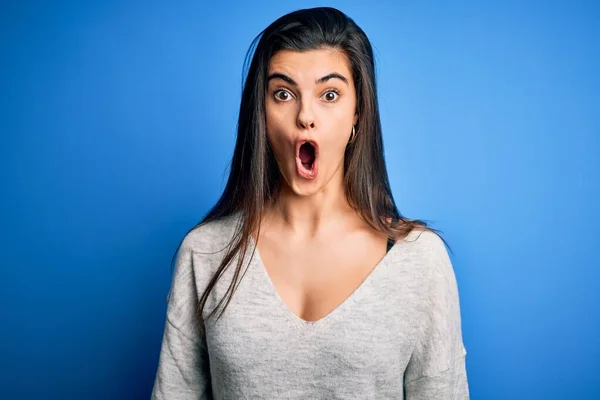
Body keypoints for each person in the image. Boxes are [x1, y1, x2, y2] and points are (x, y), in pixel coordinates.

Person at [151, 6, 469, 399]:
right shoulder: (205, 253)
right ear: (262, 115)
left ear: (358, 113)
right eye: (283, 94)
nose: (305, 116)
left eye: (329, 94)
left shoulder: (420, 261)